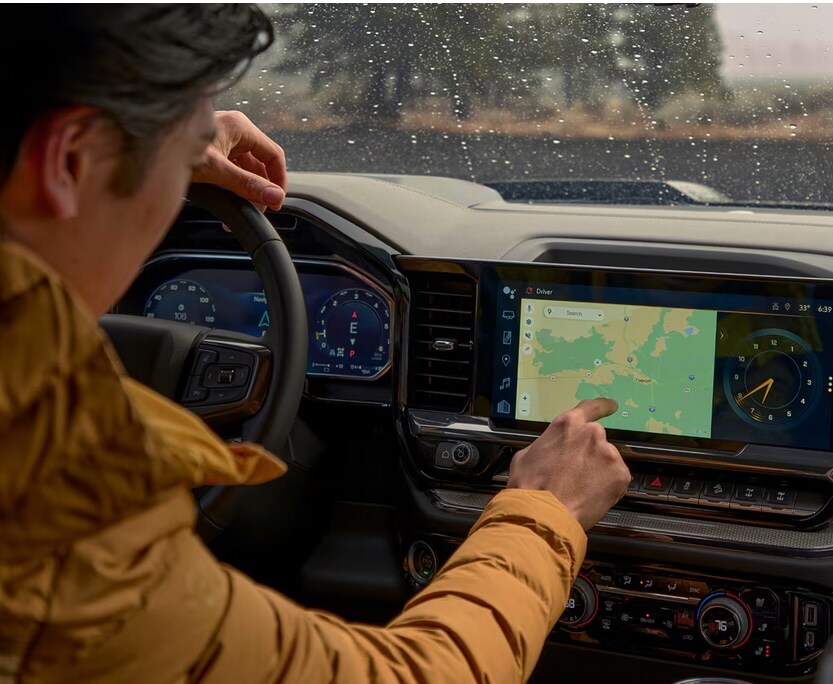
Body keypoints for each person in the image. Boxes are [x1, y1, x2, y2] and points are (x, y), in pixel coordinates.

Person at [0, 5, 631, 683]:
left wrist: (160, 138)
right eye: (186, 160)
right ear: (70, 158)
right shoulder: (57, 513)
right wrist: (544, 510)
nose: (186, 183)